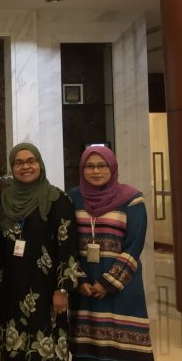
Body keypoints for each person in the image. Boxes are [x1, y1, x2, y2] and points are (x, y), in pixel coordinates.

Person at [67, 146, 153, 360]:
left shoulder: (132, 199)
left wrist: (107, 283)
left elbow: (134, 246)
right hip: (85, 287)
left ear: (112, 167)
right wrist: (79, 279)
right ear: (82, 169)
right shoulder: (73, 198)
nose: (96, 171)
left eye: (102, 165)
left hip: (123, 286)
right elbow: (67, 243)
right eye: (90, 166)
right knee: (88, 350)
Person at [0, 143, 79, 360]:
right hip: (12, 288)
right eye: (18, 163)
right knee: (14, 348)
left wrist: (62, 289)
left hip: (46, 288)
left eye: (31, 161)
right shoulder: (3, 200)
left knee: (45, 347)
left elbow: (67, 246)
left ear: (40, 164)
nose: (25, 167)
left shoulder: (57, 199)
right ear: (12, 167)